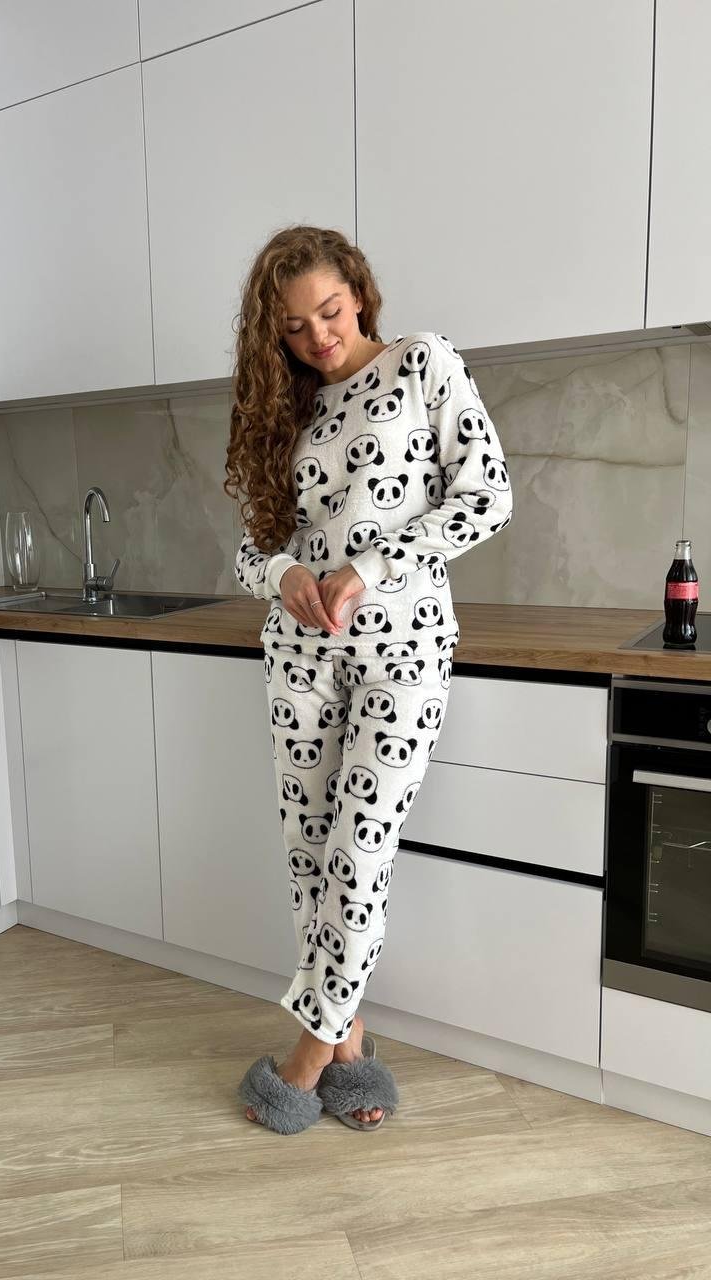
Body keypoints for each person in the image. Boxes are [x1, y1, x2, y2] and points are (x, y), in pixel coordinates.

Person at [224, 225, 513, 1133]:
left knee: (360, 856)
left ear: (359, 290)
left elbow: (488, 493)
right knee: (313, 861)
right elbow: (251, 548)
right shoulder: (288, 408)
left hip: (405, 648)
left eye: (331, 311)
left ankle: (304, 1061)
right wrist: (285, 575)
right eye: (294, 326)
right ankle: (351, 1057)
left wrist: (370, 568)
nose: (318, 336)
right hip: (301, 656)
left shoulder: (423, 364)